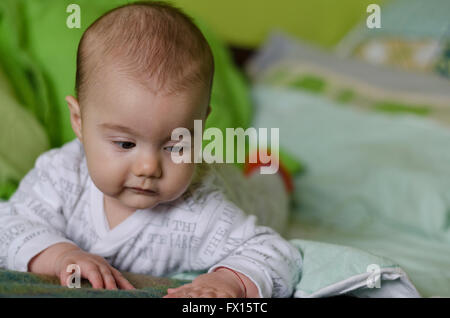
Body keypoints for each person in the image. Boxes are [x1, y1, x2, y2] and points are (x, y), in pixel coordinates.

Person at [0, 1, 301, 298]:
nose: (148, 167)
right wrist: (60, 255)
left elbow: (274, 252)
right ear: (79, 121)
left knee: (267, 200)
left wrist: (228, 282)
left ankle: (271, 169)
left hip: (239, 190)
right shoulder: (60, 177)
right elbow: (9, 225)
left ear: (200, 127)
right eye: (125, 144)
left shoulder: (203, 209)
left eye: (175, 146)